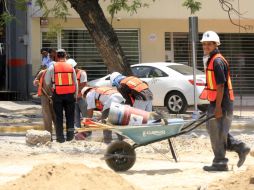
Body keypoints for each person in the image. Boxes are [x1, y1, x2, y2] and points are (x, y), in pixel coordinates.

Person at [199, 31, 250, 171]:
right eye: (204, 44)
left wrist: (218, 108)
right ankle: (240, 147)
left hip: (221, 103)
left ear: (216, 44)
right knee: (214, 130)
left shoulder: (217, 61)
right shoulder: (212, 59)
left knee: (217, 133)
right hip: (216, 102)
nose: (206, 46)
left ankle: (220, 163)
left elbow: (221, 85)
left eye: (209, 44)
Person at [45, 49, 78, 143]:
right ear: (65, 56)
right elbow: (75, 82)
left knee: (58, 117)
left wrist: (53, 89)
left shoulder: (52, 67)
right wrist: (75, 95)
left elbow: (47, 82)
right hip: (70, 95)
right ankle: (70, 137)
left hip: (58, 94)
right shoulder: (71, 67)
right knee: (70, 117)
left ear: (56, 56)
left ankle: (60, 138)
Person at [33, 69, 56, 137]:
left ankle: (59, 135)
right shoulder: (42, 72)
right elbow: (34, 82)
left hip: (55, 97)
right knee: (47, 117)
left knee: (56, 116)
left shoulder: (58, 72)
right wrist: (36, 82)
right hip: (44, 97)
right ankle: (48, 135)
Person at [67, 58, 88, 128]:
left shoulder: (82, 73)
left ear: (74, 67)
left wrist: (77, 93)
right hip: (74, 98)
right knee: (76, 116)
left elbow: (83, 86)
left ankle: (87, 132)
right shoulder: (69, 74)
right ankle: (77, 131)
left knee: (86, 116)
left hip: (82, 98)